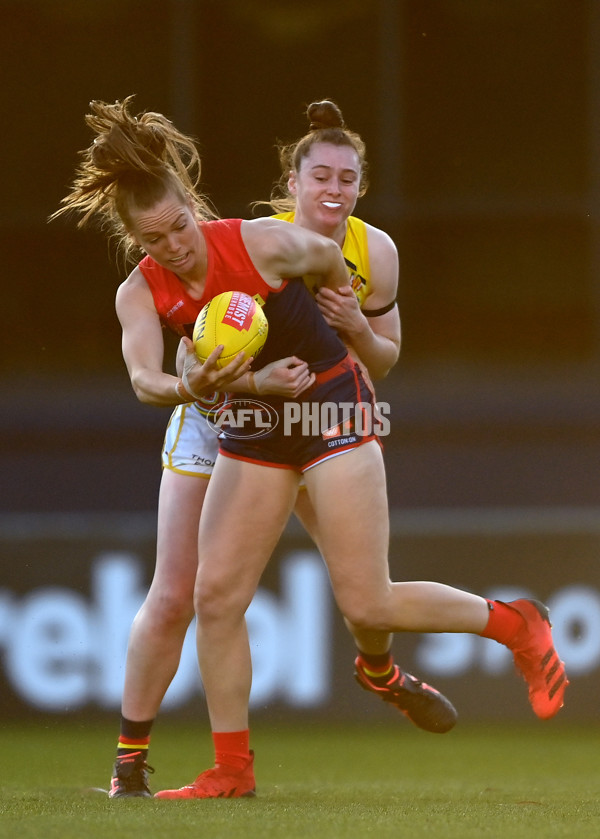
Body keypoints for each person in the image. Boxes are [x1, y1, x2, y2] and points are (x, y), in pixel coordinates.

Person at [53, 97, 459, 799]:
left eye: (182, 226)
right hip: (213, 414)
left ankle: (381, 668)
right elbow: (149, 381)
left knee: (361, 590)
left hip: (297, 409)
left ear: (194, 207)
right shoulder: (140, 292)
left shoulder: (257, 242)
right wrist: (206, 383)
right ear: (134, 242)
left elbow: (333, 269)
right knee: (180, 591)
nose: (176, 246)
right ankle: (131, 765)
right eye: (156, 239)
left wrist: (343, 338)